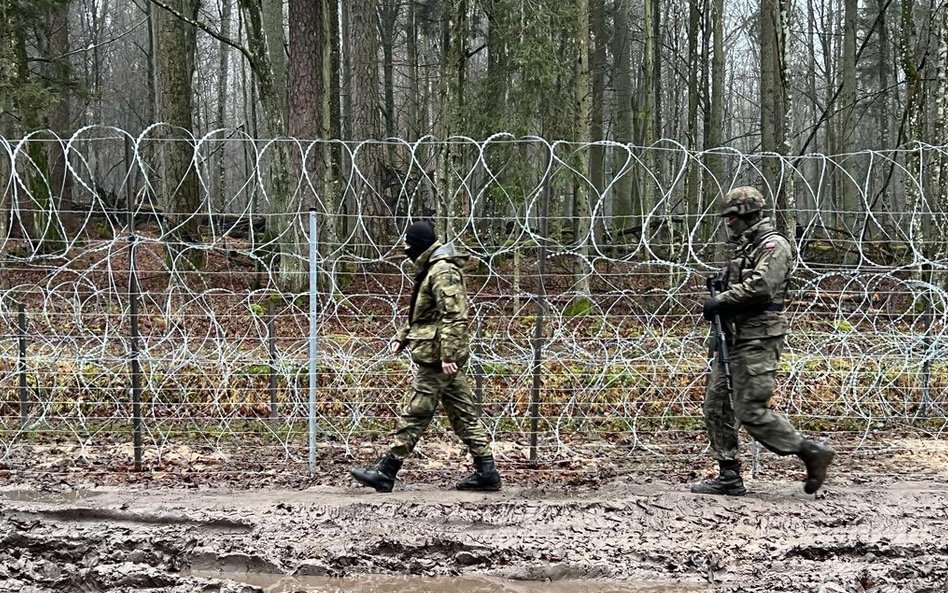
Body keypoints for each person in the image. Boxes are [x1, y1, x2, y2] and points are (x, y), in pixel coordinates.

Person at [693, 186, 835, 496]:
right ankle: (728, 474)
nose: (728, 223)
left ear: (747, 214)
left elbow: (761, 287)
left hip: (758, 336)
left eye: (732, 217)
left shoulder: (773, 246)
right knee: (716, 405)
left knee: (750, 410)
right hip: (733, 335)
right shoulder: (748, 247)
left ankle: (810, 451)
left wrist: (722, 300)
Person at [349, 221, 502, 493]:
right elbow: (423, 315)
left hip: (437, 357)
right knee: (462, 412)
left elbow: (455, 316)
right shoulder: (431, 268)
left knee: (416, 412)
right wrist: (403, 336)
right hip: (435, 351)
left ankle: (386, 471)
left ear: (419, 244)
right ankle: (487, 471)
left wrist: (448, 354)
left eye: (408, 244)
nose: (405, 249)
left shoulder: (442, 271)